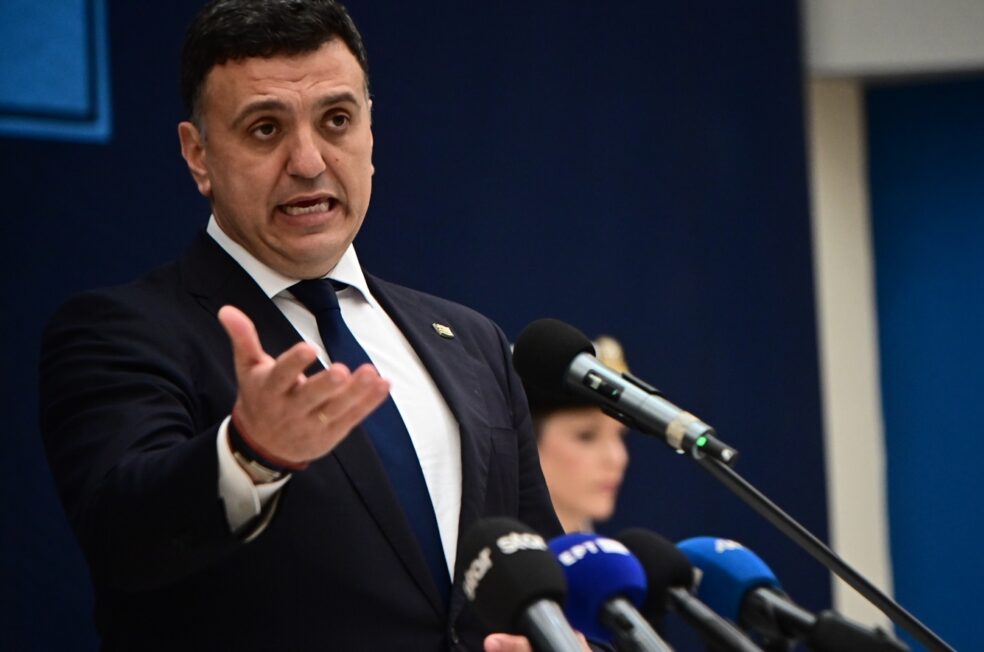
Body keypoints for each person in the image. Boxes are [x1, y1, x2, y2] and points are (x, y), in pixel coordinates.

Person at [38, 1, 563, 650]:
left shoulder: (472, 341)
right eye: (265, 129)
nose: (309, 161)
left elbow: (540, 569)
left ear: (371, 131)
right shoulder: (123, 332)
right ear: (198, 155)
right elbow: (123, 538)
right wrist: (251, 454)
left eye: (337, 120)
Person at [522, 336, 630, 533]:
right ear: (524, 443)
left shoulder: (614, 553)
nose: (617, 458)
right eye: (586, 436)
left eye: (621, 435)